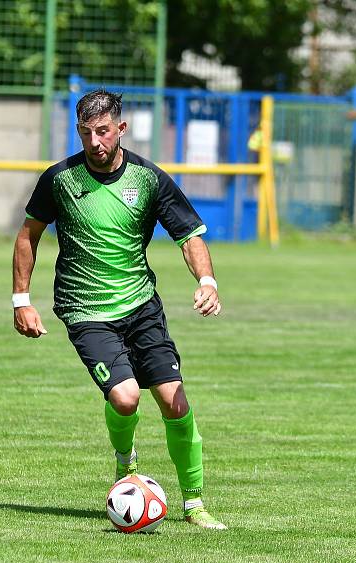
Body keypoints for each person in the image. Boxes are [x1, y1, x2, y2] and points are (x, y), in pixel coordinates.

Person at [12, 89, 226, 530]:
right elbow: (28, 234)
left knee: (175, 401)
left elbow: (189, 236)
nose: (95, 141)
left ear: (121, 129)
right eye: (86, 133)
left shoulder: (148, 179)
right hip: (84, 308)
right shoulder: (60, 180)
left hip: (141, 306)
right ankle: (125, 465)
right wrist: (21, 300)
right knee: (126, 397)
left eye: (103, 131)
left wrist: (206, 281)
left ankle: (194, 504)